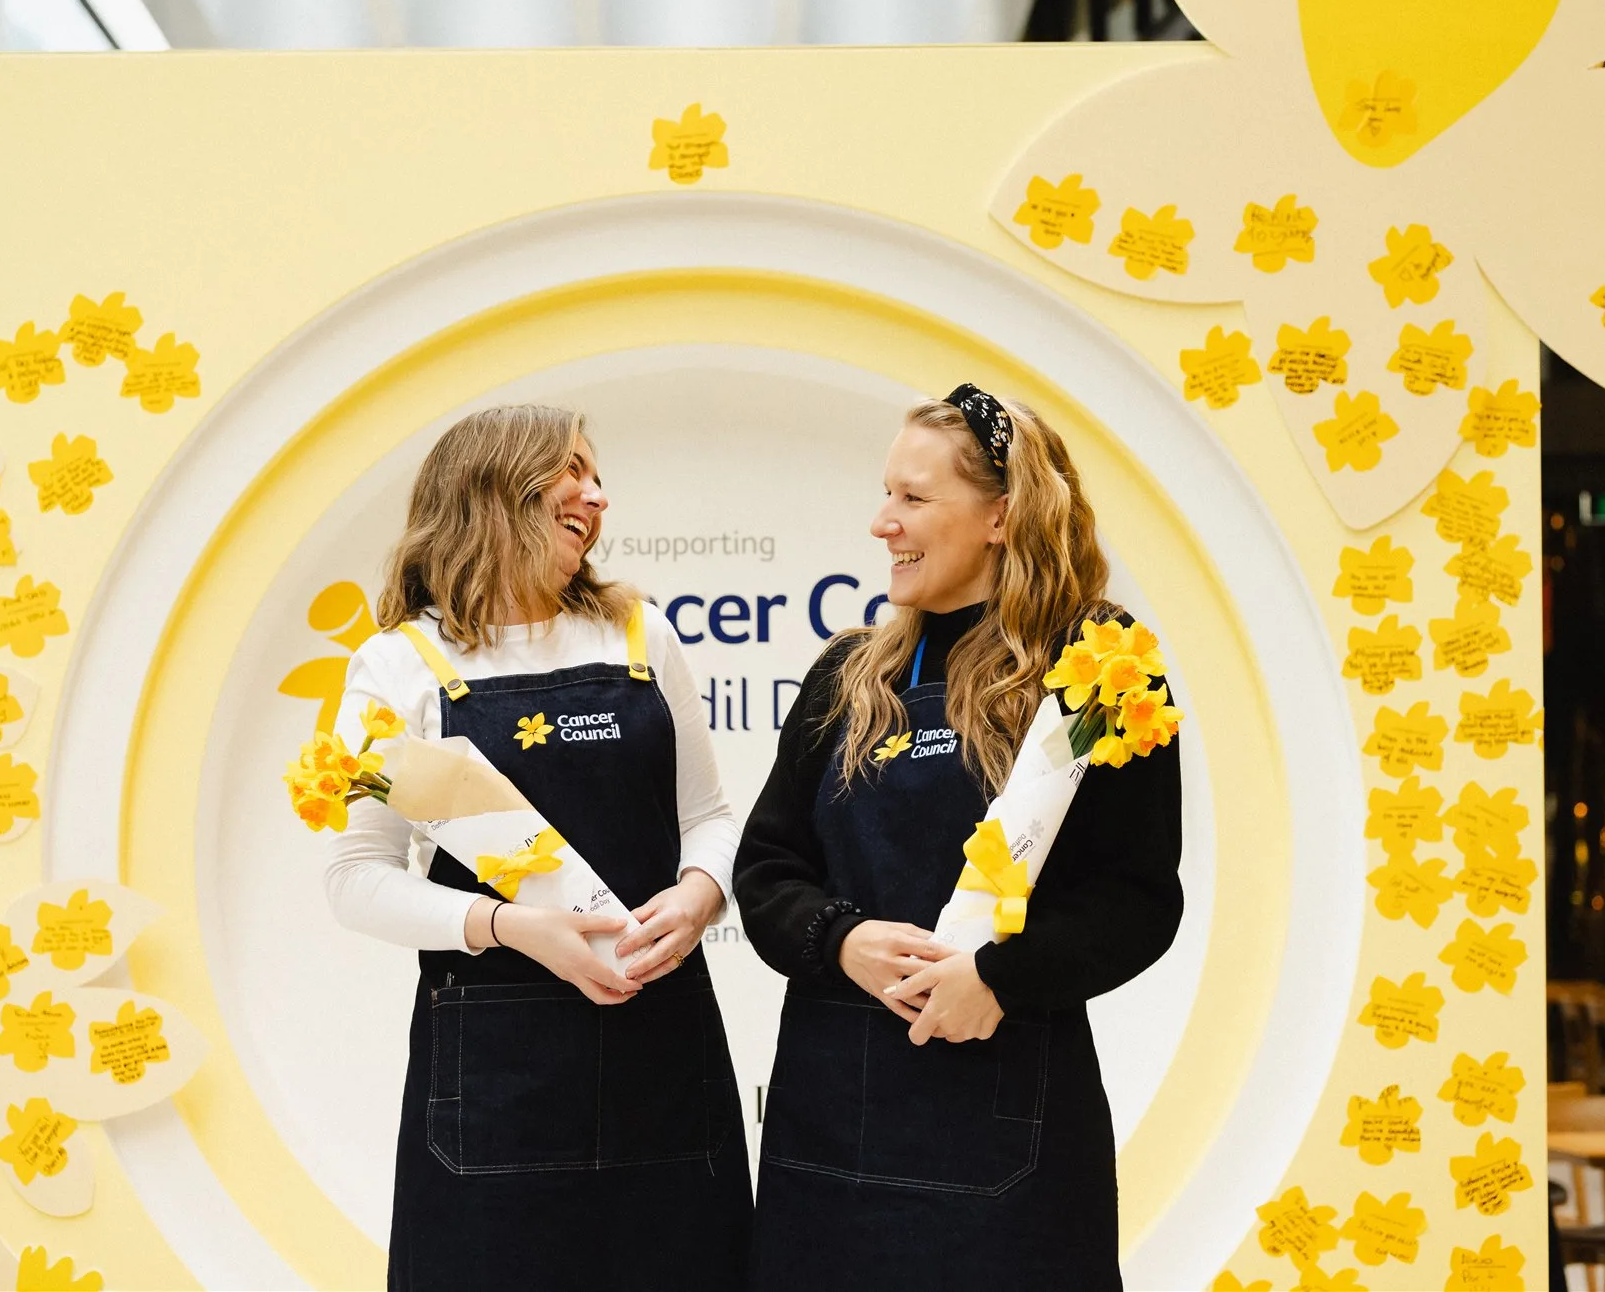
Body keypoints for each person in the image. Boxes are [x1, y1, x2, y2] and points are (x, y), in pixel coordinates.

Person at [733, 385, 1183, 1291]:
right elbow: (766, 871)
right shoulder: (846, 676)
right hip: (827, 1145)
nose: (880, 523)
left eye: (912, 498)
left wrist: (998, 982)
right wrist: (842, 940)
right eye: (884, 493)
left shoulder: (1099, 663)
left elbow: (1138, 900)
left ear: (1000, 515)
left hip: (1006, 1142)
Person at [326, 404, 752, 1292]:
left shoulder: (641, 635)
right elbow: (356, 880)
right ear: (496, 485)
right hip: (494, 1088)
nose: (598, 495)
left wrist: (703, 889)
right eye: (575, 471)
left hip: (663, 1061)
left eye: (598, 476)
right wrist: (509, 925)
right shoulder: (400, 667)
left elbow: (709, 812)